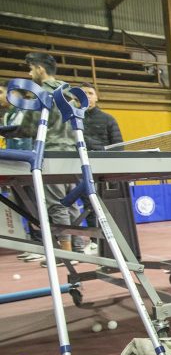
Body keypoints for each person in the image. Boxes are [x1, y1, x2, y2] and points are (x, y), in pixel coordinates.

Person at [11, 53, 84, 265]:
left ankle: (66, 255)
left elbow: (29, 127)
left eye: (31, 69)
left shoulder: (41, 95)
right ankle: (78, 248)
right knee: (72, 203)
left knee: (57, 204)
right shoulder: (69, 91)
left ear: (41, 69)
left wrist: (10, 131)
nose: (29, 73)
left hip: (51, 152)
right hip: (72, 152)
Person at [79, 82, 124, 253]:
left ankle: (115, 241)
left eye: (90, 93)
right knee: (88, 206)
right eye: (83, 93)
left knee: (106, 206)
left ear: (96, 97)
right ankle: (94, 241)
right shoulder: (72, 120)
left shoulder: (108, 119)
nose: (87, 96)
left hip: (104, 170)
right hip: (82, 169)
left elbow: (118, 146)